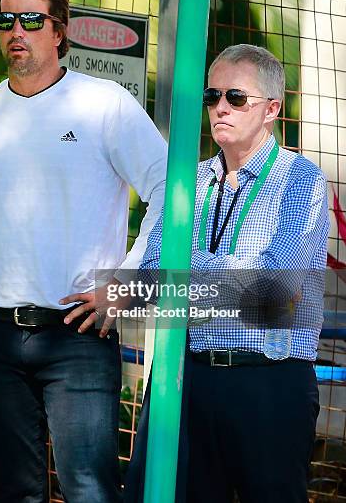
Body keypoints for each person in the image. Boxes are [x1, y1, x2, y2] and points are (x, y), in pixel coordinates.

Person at [0, 0, 167, 503]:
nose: (15, 31)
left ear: (60, 31)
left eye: (31, 19)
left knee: (90, 491)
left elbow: (172, 191)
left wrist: (127, 282)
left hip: (77, 335)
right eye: (5, 19)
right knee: (12, 489)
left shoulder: (105, 105)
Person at [125, 44, 329, 503]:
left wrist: (190, 272)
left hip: (269, 384)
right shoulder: (189, 180)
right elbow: (151, 273)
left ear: (272, 108)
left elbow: (274, 291)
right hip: (187, 376)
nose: (220, 107)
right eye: (211, 95)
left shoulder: (302, 180)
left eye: (236, 98)